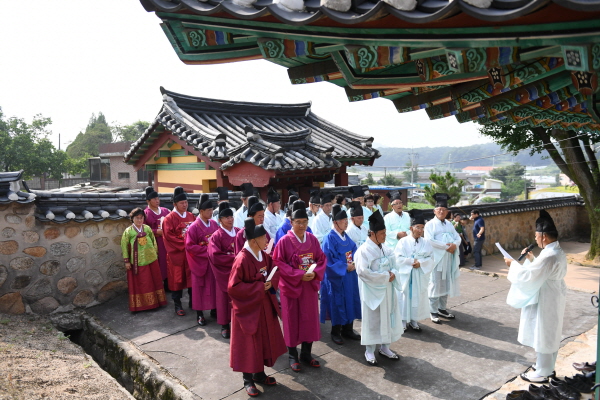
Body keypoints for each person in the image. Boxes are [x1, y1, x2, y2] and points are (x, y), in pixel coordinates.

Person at [504, 210, 567, 383]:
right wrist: (531, 259)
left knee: (544, 332)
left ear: (544, 236)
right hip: (552, 294)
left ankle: (543, 372)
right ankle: (545, 366)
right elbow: (540, 271)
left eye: (536, 236)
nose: (536, 238)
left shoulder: (549, 255)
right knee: (549, 331)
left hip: (547, 297)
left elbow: (529, 277)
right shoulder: (555, 251)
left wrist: (513, 265)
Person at [228, 217, 286, 397]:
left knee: (263, 340)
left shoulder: (262, 255)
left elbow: (273, 270)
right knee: (249, 343)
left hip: (263, 306)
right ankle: (248, 379)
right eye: (264, 238)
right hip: (248, 309)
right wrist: (260, 287)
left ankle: (259, 374)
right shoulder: (242, 259)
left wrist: (270, 282)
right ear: (254, 240)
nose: (267, 241)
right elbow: (233, 287)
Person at [272, 202, 326, 372]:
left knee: (309, 320)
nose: (302, 225)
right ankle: (292, 355)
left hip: (308, 287)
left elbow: (321, 259)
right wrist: (298, 274)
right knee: (292, 321)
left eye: (304, 222)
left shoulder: (312, 239)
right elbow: (278, 262)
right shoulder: (284, 241)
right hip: (292, 288)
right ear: (291, 222)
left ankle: (307, 354)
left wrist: (315, 272)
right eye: (298, 222)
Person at [354, 209, 403, 365]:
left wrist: (393, 273)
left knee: (388, 317)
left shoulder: (386, 248)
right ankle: (369, 350)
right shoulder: (363, 251)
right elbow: (362, 272)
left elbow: (395, 265)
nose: (384, 235)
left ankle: (385, 346)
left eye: (385, 232)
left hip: (387, 290)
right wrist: (385, 276)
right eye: (381, 233)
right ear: (372, 234)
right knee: (373, 319)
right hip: (372, 292)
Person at [320, 204, 361, 345]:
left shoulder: (345, 236)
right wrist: (345, 266)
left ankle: (348, 329)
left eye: (346, 220)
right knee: (337, 302)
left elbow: (354, 249)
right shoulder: (329, 238)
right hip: (336, 277)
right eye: (343, 220)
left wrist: (355, 262)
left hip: (349, 275)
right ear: (335, 222)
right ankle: (335, 331)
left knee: (350, 299)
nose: (346, 222)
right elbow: (328, 260)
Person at [394, 209, 434, 331]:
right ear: (411, 228)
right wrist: (411, 262)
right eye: (418, 227)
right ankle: (402, 320)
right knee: (404, 297)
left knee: (417, 297)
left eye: (422, 228)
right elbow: (398, 257)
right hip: (406, 274)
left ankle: (414, 320)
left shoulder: (426, 242)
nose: (420, 231)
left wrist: (420, 263)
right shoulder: (403, 241)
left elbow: (431, 258)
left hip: (418, 274)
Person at [424, 193, 462, 324]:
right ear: (434, 211)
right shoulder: (430, 224)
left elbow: (457, 237)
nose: (441, 211)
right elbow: (429, 240)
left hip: (448, 259)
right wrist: (446, 246)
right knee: (435, 283)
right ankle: (433, 311)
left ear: (447, 212)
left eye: (444, 210)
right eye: (439, 209)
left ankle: (442, 308)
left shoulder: (449, 224)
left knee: (445, 283)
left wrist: (454, 245)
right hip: (437, 259)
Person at [121, 208, 167, 312]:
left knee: (154, 281)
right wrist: (127, 261)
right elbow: (124, 246)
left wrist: (155, 254)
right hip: (138, 262)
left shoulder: (147, 228)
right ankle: (144, 305)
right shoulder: (128, 232)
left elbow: (154, 241)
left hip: (151, 259)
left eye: (141, 218)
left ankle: (157, 302)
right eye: (137, 218)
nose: (139, 220)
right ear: (132, 219)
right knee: (143, 283)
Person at [185, 194, 219, 326]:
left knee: (214, 287)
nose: (211, 212)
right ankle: (199, 314)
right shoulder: (193, 227)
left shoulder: (215, 224)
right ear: (201, 211)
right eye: (208, 210)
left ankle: (214, 309)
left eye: (212, 210)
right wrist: (207, 250)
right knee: (200, 288)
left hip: (212, 262)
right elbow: (189, 246)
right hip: (200, 263)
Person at [162, 186, 196, 316]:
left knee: (191, 279)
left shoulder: (191, 216)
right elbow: (169, 237)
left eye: (186, 202)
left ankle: (193, 302)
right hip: (177, 255)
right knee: (177, 280)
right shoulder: (169, 219)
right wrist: (186, 244)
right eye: (182, 203)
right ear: (174, 204)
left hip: (190, 254)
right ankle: (177, 305)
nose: (185, 205)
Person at [209, 202, 241, 338]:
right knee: (224, 298)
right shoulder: (216, 236)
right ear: (220, 220)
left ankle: (239, 323)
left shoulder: (240, 232)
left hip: (239, 271)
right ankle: (224, 325)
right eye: (226, 217)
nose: (230, 219)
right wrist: (235, 258)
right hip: (224, 272)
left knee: (240, 297)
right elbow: (214, 256)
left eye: (231, 217)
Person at [143, 186, 170, 290]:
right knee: (158, 263)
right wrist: (155, 231)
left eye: (158, 198)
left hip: (166, 241)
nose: (157, 201)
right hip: (155, 242)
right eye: (154, 199)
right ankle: (159, 285)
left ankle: (169, 283)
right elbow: (143, 229)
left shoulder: (165, 211)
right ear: (148, 201)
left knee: (168, 262)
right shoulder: (146, 213)